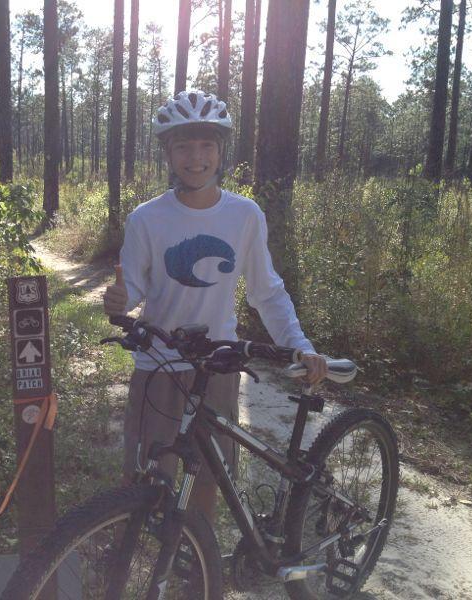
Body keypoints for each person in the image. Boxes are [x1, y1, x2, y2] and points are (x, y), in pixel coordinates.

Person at [103, 90, 327, 522]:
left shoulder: (244, 215)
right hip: (159, 365)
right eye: (183, 145)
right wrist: (119, 300)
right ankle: (150, 564)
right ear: (168, 154)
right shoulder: (146, 218)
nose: (196, 156)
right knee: (148, 481)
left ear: (221, 151)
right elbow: (130, 288)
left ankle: (195, 573)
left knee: (205, 483)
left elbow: (267, 291)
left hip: (218, 367)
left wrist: (299, 344)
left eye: (206, 145)